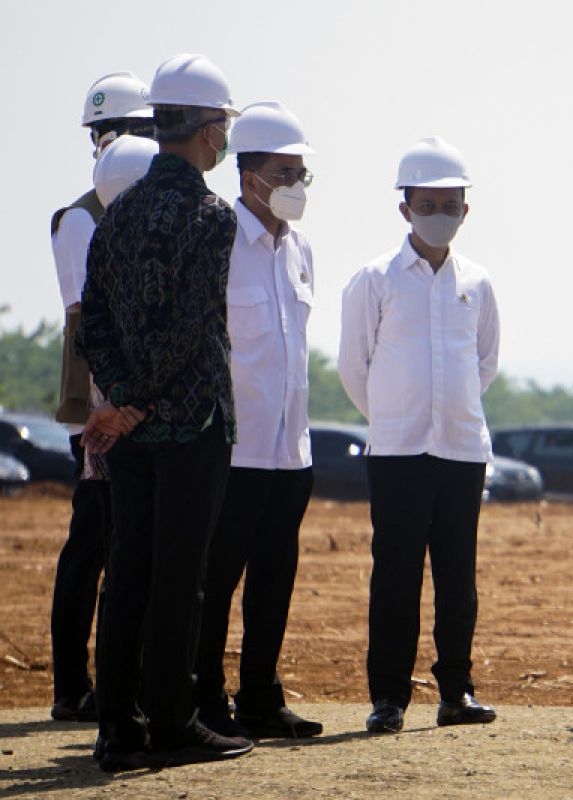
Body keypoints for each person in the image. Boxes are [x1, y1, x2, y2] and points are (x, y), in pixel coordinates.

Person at [78, 53, 253, 772]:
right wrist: (143, 402)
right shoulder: (212, 216)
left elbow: (94, 326)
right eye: (223, 129)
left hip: (133, 430)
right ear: (209, 131)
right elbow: (189, 330)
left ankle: (119, 727)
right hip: (189, 425)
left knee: (128, 570)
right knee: (181, 576)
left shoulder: (115, 216)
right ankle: (174, 723)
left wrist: (119, 405)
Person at [338, 136, 500, 734]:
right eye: (426, 204)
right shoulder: (374, 279)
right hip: (399, 453)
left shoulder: (478, 282)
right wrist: (393, 416)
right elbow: (354, 367)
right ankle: (388, 698)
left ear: (466, 208)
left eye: (449, 204)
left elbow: (484, 363)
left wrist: (449, 411)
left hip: (461, 451)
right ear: (403, 208)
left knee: (459, 576)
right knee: (396, 575)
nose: (439, 215)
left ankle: (456, 691)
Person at [193, 101, 322, 741]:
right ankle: (205, 701)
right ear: (250, 178)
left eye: (304, 173)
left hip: (290, 452)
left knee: (274, 580)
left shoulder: (300, 250)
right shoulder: (217, 240)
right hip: (233, 451)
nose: (298, 186)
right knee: (215, 584)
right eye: (286, 172)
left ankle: (261, 699)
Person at [48, 71, 155, 724]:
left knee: (118, 543)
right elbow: (87, 321)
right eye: (110, 133)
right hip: (100, 410)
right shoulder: (80, 219)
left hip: (130, 408)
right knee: (95, 544)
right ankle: (72, 686)